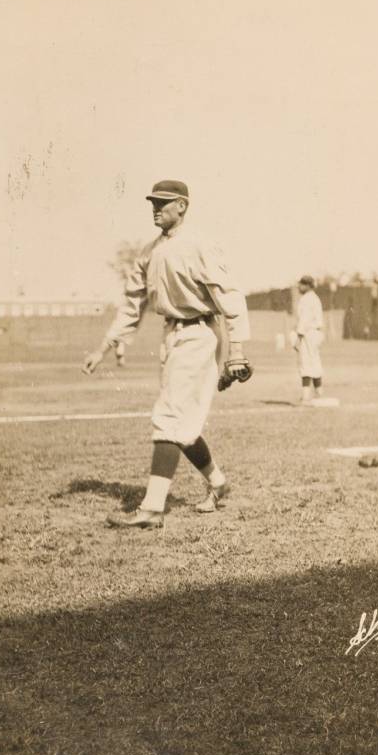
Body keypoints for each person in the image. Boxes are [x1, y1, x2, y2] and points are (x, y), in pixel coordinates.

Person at [82, 179, 251, 529]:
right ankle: (218, 483)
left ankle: (153, 508)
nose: (156, 208)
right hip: (171, 335)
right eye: (153, 203)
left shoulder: (200, 245)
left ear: (182, 206)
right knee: (183, 425)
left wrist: (236, 351)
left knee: (169, 417)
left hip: (200, 331)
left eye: (163, 202)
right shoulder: (149, 251)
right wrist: (104, 347)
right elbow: (132, 306)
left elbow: (231, 298)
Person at [294, 275, 324, 404]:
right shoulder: (315, 298)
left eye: (301, 284)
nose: (299, 287)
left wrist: (298, 338)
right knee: (315, 361)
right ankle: (319, 393)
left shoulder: (307, 299)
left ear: (307, 285)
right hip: (316, 333)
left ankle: (306, 397)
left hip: (308, 333)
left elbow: (304, 320)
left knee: (305, 362)